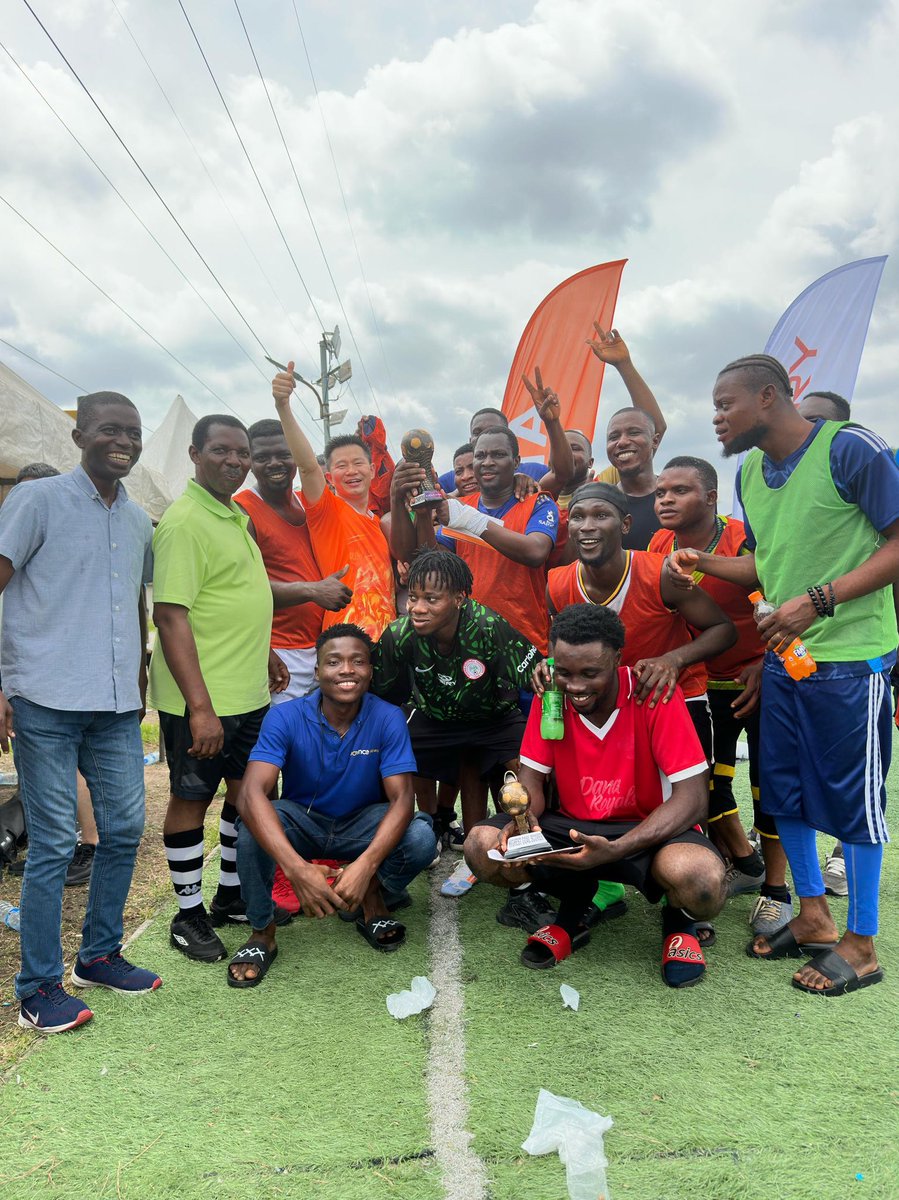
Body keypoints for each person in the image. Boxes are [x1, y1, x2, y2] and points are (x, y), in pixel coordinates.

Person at [672, 352, 899, 996]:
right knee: (783, 794)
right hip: (787, 663)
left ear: (768, 397)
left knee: (854, 805)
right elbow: (767, 569)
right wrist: (705, 562)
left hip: (852, 660)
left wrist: (819, 600)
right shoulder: (749, 470)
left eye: (724, 405)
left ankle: (861, 946)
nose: (716, 419)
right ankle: (814, 917)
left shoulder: (849, 449)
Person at [0, 391, 161, 1033]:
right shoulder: (36, 501)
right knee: (53, 842)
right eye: (108, 429)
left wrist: (143, 677)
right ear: (79, 437)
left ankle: (98, 955)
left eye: (133, 431)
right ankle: (37, 985)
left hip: (117, 705)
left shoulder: (139, 520)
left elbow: (142, 606)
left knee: (122, 829)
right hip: (45, 698)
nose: (122, 440)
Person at [464, 605, 725, 986]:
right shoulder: (551, 696)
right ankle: (573, 913)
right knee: (481, 846)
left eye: (591, 673)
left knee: (701, 881)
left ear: (618, 660)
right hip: (569, 828)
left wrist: (619, 849)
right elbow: (531, 782)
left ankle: (678, 923)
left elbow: (693, 798)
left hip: (647, 828)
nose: (576, 686)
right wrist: (522, 822)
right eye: (565, 672)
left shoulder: (654, 694)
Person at [150, 415, 288, 964]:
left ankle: (231, 894)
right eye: (221, 451)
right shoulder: (185, 521)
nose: (235, 461)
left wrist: (267, 649)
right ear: (194, 453)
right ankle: (187, 913)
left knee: (244, 795)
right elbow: (171, 615)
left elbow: (238, 595)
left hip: (247, 692)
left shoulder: (233, 514)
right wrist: (200, 709)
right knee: (191, 799)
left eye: (242, 453)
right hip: (202, 701)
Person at [228, 624, 436, 985]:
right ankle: (262, 931)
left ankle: (370, 897)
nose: (346, 670)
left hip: (362, 823)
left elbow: (403, 798)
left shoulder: (387, 717)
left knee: (420, 835)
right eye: (334, 661)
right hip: (304, 822)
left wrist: (366, 866)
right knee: (250, 827)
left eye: (358, 661)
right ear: (318, 670)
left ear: (370, 671)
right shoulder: (285, 716)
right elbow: (250, 793)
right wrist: (296, 870)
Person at [649, 456, 791, 937]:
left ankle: (777, 891)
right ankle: (744, 864)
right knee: (707, 786)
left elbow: (778, 590)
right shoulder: (658, 544)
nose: (665, 498)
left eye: (680, 490)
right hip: (706, 685)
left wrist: (766, 663)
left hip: (767, 677)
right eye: (661, 491)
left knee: (769, 787)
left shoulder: (738, 537)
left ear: (711, 497)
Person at [370, 550, 549, 911]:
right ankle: (409, 843)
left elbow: (536, 671)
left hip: (493, 720)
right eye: (413, 597)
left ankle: (525, 877)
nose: (417, 607)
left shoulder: (488, 627)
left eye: (430, 599)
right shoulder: (398, 635)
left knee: (522, 774)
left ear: (459, 598)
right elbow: (382, 694)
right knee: (387, 757)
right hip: (434, 719)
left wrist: (545, 677)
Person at [546, 482, 736, 761]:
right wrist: (551, 669)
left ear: (625, 525)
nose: (586, 526)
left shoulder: (659, 573)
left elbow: (724, 629)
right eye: (578, 516)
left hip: (671, 696)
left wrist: (673, 660)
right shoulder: (557, 583)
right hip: (605, 703)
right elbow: (556, 644)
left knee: (691, 798)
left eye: (600, 515)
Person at [391, 385, 563, 655]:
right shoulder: (462, 505)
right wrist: (423, 513)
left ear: (516, 462)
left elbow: (535, 551)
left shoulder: (538, 502)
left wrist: (468, 519)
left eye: (498, 455)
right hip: (468, 641)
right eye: (481, 456)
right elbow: (431, 558)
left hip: (524, 640)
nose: (487, 462)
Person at [3, 464, 98, 888]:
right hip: (30, 678)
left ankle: (86, 845)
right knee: (45, 773)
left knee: (68, 768)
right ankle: (76, 845)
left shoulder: (68, 540)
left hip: (48, 682)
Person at [272, 363, 396, 640]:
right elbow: (306, 467)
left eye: (357, 463)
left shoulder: (379, 524)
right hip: (344, 642)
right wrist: (283, 407)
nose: (351, 471)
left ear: (372, 470)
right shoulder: (326, 510)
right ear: (329, 476)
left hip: (389, 644)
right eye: (342, 466)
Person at [234, 419, 354, 704]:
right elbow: (244, 588)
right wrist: (313, 590)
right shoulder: (242, 510)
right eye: (262, 457)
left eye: (284, 455)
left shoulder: (306, 501)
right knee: (285, 743)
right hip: (280, 654)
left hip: (322, 648)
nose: (274, 463)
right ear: (250, 461)